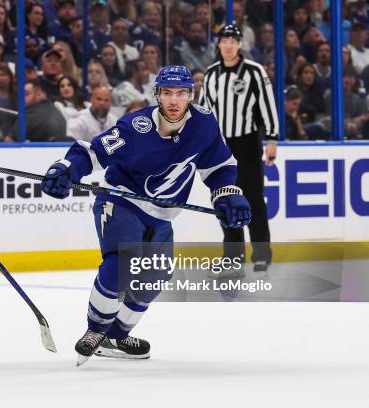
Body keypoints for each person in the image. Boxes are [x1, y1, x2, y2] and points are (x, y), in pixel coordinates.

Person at [40, 65, 250, 365]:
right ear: (157, 95)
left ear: (191, 95)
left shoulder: (204, 124)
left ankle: (116, 335)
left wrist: (228, 192)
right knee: (122, 261)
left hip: (163, 215)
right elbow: (92, 152)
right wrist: (65, 168)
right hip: (122, 200)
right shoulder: (134, 127)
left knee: (155, 277)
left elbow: (219, 167)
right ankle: (96, 329)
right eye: (167, 93)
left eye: (181, 93)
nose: (174, 101)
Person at [199, 24, 279, 273]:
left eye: (233, 41)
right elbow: (203, 110)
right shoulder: (211, 74)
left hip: (247, 142)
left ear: (240, 44)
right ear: (219, 44)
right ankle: (233, 255)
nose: (229, 45)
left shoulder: (255, 72)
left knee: (253, 198)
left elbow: (268, 105)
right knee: (225, 199)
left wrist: (272, 139)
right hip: (222, 146)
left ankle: (262, 254)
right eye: (225, 41)